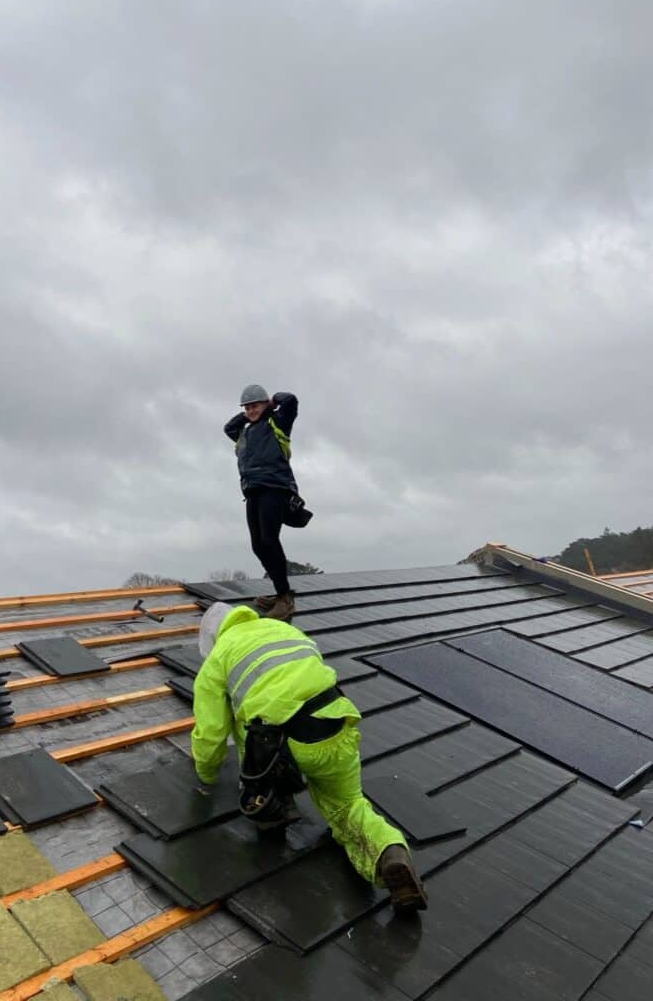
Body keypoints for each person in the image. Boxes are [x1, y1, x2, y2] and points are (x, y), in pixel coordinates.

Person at [191, 601, 429, 913]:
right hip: (337, 724)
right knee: (349, 805)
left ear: (212, 639)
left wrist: (206, 777)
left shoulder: (219, 657)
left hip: (284, 748)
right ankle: (390, 852)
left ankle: (271, 809)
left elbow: (211, 733)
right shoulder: (283, 628)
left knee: (253, 727)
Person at [224, 384, 299, 622]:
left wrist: (272, 402)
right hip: (252, 490)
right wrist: (248, 414)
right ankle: (279, 593)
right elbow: (229, 427)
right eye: (247, 407)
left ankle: (285, 599)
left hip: (274, 488)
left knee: (269, 539)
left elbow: (291, 401)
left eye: (254, 405)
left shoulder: (277, 422)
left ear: (264, 404)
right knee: (257, 545)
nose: (250, 411)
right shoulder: (244, 432)